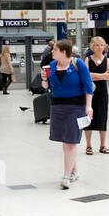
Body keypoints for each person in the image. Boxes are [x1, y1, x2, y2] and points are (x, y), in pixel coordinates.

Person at [41, 39, 94, 189]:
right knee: (65, 141)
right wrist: (44, 81)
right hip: (57, 106)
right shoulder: (51, 66)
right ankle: (74, 170)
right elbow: (48, 86)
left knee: (71, 142)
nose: (52, 52)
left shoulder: (78, 64)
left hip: (76, 106)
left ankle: (66, 175)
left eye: (55, 50)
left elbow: (88, 86)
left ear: (64, 52)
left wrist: (88, 107)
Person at [82, 36, 109, 156]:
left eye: (101, 45)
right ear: (92, 47)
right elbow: (85, 76)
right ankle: (88, 145)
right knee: (89, 117)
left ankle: (102, 145)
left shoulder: (107, 60)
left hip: (102, 92)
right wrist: (102, 75)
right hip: (90, 92)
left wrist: (94, 75)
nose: (99, 47)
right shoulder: (88, 59)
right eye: (97, 45)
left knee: (102, 116)